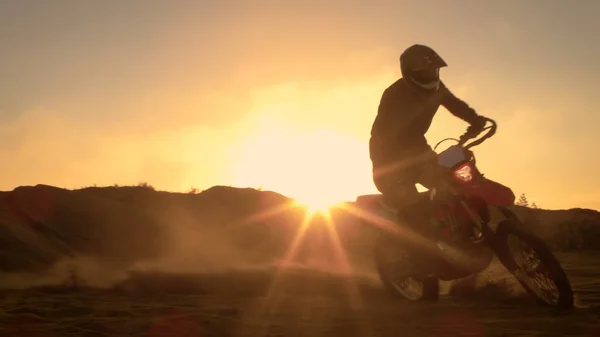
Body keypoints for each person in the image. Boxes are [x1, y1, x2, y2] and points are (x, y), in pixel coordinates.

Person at [369, 44, 488, 240]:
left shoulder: (437, 88)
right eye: (426, 73)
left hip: (418, 149)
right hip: (387, 161)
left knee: (455, 173)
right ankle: (424, 255)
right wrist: (399, 161)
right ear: (410, 74)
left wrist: (474, 119)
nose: (432, 76)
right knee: (415, 212)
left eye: (434, 71)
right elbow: (386, 133)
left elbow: (455, 104)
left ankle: (462, 231)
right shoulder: (394, 94)